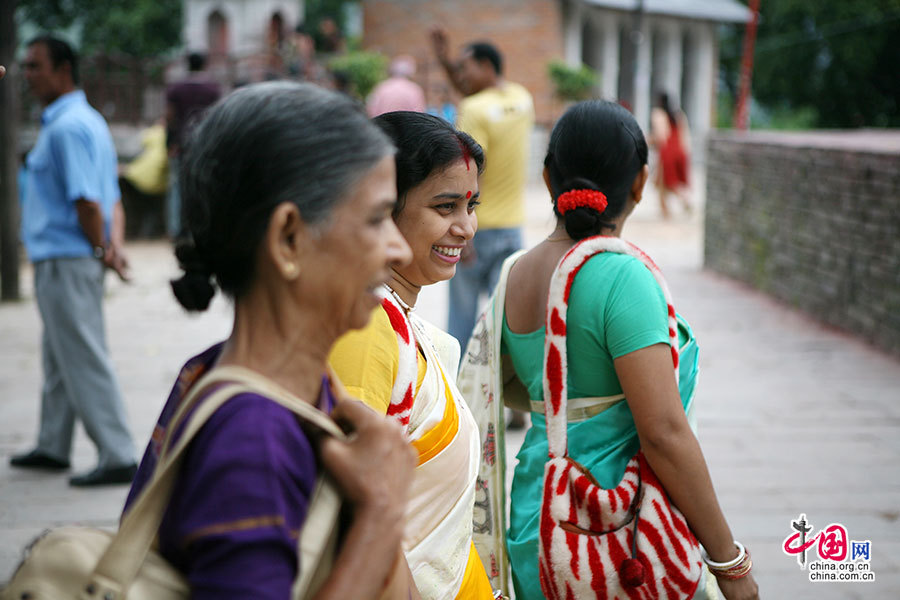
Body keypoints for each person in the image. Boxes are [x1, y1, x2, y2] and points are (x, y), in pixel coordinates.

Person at [125, 81, 420, 598]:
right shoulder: (252, 440)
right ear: (288, 239)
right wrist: (381, 514)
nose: (398, 249)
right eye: (376, 219)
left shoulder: (257, 383)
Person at [459, 100, 759, 600]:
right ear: (641, 183)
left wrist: (578, 411)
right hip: (617, 528)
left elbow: (524, 389)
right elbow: (663, 432)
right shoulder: (623, 277)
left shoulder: (516, 273)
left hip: (540, 518)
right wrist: (730, 562)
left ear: (548, 178)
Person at [328, 111, 494, 599]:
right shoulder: (366, 330)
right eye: (445, 207)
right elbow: (350, 515)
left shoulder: (398, 321)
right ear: (382, 208)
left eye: (471, 205)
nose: (465, 228)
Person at [10, 35, 138, 487]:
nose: (27, 75)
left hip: (68, 257)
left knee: (81, 354)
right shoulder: (88, 121)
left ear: (63, 69)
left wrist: (103, 249)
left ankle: (119, 451)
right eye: (25, 66)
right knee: (59, 356)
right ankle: (52, 443)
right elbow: (110, 196)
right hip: (70, 256)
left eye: (34, 66)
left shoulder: (67, 127)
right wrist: (110, 247)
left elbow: (87, 201)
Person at [430, 30, 534, 353]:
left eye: (466, 67)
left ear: (486, 66)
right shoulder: (522, 99)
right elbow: (472, 92)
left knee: (461, 322)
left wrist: (463, 229)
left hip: (475, 231)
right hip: (512, 230)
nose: (461, 75)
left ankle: (456, 394)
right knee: (505, 325)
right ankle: (504, 397)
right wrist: (446, 63)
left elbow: (469, 173)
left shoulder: (473, 110)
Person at [165, 52, 220, 239]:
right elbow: (217, 117)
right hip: (205, 145)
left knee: (178, 188)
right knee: (203, 186)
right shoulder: (212, 89)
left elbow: (170, 117)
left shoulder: (176, 88)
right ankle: (203, 226)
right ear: (204, 64)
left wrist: (169, 142)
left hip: (181, 145)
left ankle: (176, 229)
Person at [119, 118, 168, 238]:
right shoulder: (167, 137)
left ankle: (137, 232)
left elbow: (142, 140)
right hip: (155, 184)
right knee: (152, 209)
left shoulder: (152, 133)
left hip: (137, 177)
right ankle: (147, 233)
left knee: (139, 208)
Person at [650, 91, 692, 218]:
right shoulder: (679, 115)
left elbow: (661, 136)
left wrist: (647, 141)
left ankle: (681, 204)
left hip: (667, 151)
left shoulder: (658, 114)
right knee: (666, 182)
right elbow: (685, 136)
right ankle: (666, 209)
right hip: (680, 151)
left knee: (665, 182)